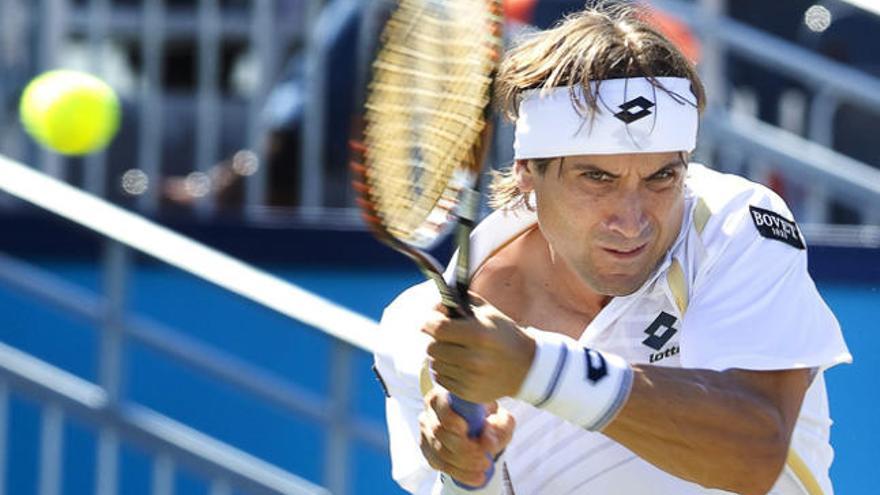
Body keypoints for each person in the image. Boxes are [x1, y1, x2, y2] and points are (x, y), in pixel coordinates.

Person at [372, 5, 851, 495]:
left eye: (661, 177)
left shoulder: (733, 226)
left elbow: (755, 451)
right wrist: (466, 476)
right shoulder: (417, 330)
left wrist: (535, 367)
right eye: (596, 178)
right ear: (526, 173)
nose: (632, 220)